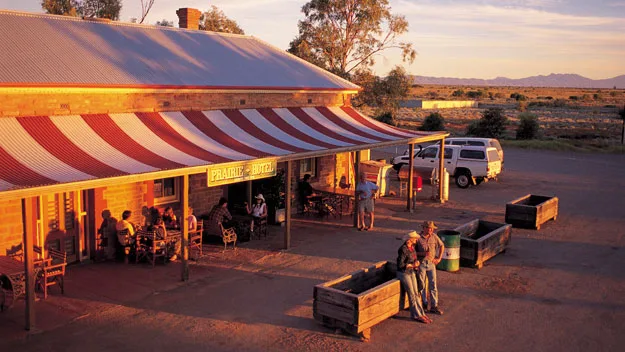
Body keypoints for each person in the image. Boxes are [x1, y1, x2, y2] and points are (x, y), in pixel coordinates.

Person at [397, 230, 431, 324]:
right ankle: (416, 315)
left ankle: (421, 313)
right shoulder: (403, 249)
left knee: (416, 293)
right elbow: (400, 265)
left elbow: (415, 258)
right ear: (410, 239)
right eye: (415, 238)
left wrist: (416, 263)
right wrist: (412, 265)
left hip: (411, 272)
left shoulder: (412, 247)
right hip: (404, 273)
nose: (416, 239)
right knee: (412, 294)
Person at [416, 220, 445, 315]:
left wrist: (439, 258)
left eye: (432, 228)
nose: (431, 230)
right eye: (429, 228)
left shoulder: (434, 236)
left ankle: (434, 305)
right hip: (422, 264)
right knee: (422, 285)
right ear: (424, 228)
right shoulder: (418, 238)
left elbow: (442, 246)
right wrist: (422, 253)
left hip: (431, 264)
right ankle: (424, 304)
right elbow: (412, 253)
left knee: (433, 284)